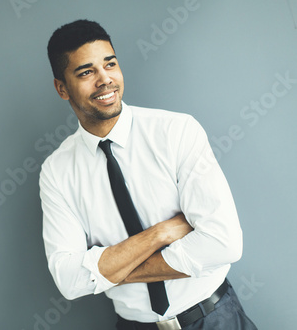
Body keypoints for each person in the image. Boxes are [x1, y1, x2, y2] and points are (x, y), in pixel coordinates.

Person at [39, 19, 258, 330]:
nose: (105, 80)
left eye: (110, 64)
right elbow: (70, 280)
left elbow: (224, 244)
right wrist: (162, 233)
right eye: (86, 72)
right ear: (62, 88)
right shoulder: (57, 172)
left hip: (215, 318)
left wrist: (107, 272)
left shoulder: (177, 131)